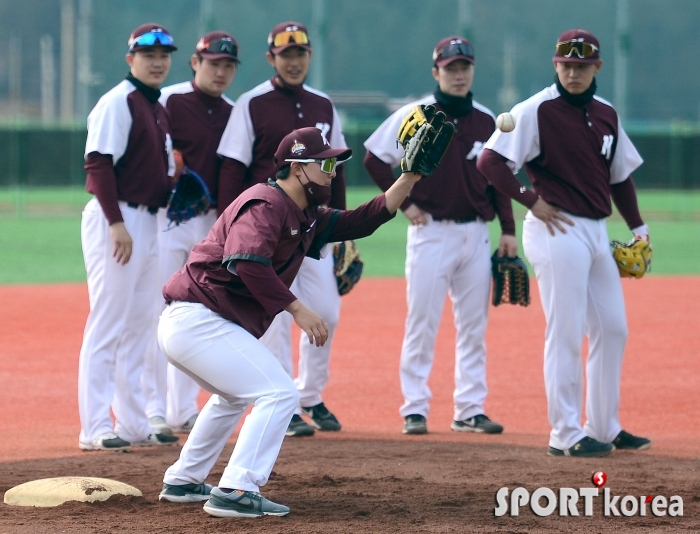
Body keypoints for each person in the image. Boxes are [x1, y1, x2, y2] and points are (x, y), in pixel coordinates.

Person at [156, 127, 423, 515]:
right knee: (279, 393)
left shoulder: (305, 214)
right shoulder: (266, 204)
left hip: (198, 323)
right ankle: (236, 489)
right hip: (197, 320)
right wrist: (297, 308)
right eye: (326, 164)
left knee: (234, 396)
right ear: (298, 169)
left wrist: (409, 178)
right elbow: (246, 260)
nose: (333, 172)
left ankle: (183, 480)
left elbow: (362, 221)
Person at [477, 29, 651, 457]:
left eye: (582, 65)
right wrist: (530, 201)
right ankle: (565, 433)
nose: (574, 72)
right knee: (567, 332)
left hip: (595, 230)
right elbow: (490, 161)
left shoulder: (607, 112)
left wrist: (639, 227)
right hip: (556, 229)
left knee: (613, 329)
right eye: (567, 65)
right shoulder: (535, 109)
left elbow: (621, 176)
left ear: (597, 68)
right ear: (556, 65)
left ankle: (605, 426)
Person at [363, 36, 516, 436]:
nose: (459, 74)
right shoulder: (417, 114)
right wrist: (404, 205)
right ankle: (414, 408)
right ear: (436, 72)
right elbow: (373, 158)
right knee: (422, 322)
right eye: (450, 68)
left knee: (473, 327)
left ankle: (469, 408)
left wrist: (509, 230)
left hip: (477, 234)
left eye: (464, 67)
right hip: (430, 232)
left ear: (472, 71)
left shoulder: (487, 120)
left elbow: (500, 179)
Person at [216, 21, 348, 437]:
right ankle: (282, 401)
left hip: (312, 228)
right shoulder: (252, 104)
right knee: (273, 317)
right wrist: (233, 227)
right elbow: (233, 168)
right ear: (272, 58)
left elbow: (337, 170)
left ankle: (310, 394)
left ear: (309, 57)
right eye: (285, 55)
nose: (294, 62)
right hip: (268, 230)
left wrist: (341, 229)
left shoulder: (323, 104)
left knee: (327, 310)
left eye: (300, 55)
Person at [77, 23, 180, 451]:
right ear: (130, 59)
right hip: (117, 220)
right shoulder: (117, 102)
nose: (157, 62)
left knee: (139, 324)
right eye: (147, 54)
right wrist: (116, 222)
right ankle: (95, 426)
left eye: (163, 55)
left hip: (149, 221)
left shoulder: (156, 107)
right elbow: (98, 164)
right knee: (108, 323)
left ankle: (134, 423)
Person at [142, 31, 237, 437]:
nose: (221, 71)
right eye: (213, 62)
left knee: (193, 314)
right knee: (156, 311)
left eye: (228, 65)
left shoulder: (235, 111)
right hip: (169, 219)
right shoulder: (170, 100)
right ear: (195, 63)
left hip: (211, 224)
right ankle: (152, 408)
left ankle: (182, 407)